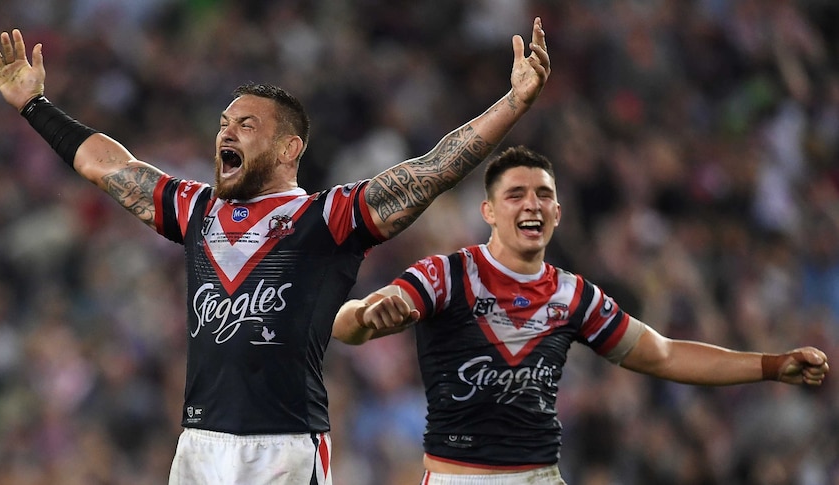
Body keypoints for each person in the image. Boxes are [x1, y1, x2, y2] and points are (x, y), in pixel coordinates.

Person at [0, 18, 551, 485]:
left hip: (283, 448)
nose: (226, 134)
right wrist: (35, 106)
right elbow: (109, 167)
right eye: (224, 123)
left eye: (246, 125)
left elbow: (429, 172)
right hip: (199, 446)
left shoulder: (325, 218)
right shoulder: (197, 210)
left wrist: (513, 103)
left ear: (289, 147)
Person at [332, 145, 830, 485]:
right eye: (516, 195)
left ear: (557, 213)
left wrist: (769, 365)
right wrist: (369, 313)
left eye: (544, 195)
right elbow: (348, 325)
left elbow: (663, 355)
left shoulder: (575, 296)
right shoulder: (446, 275)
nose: (533, 204)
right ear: (488, 211)